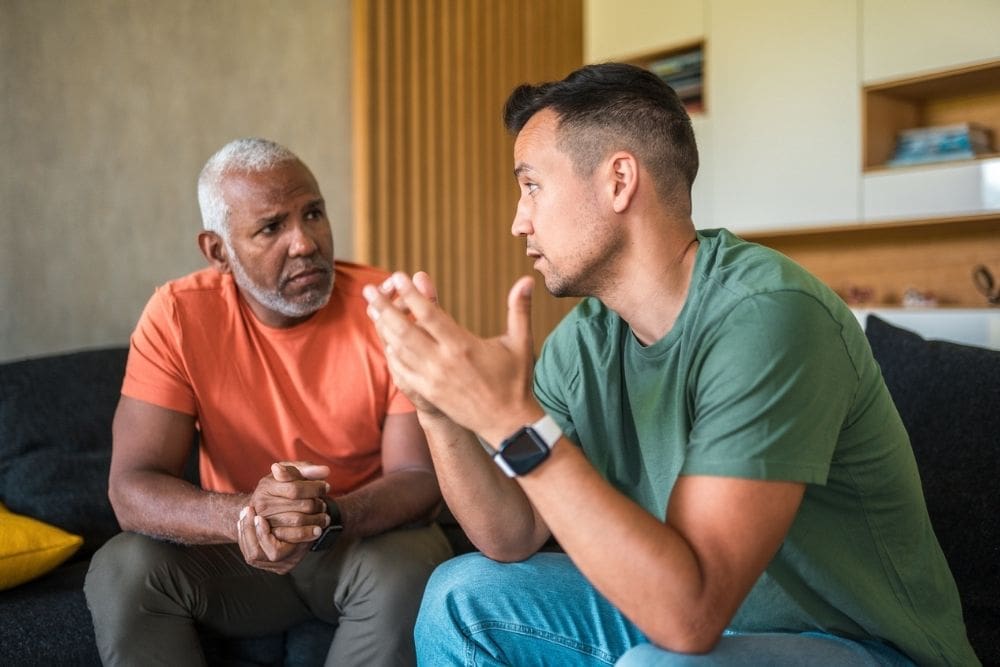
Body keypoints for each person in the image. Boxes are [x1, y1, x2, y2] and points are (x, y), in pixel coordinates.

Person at [362, 64, 979, 665]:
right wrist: (436, 408)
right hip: (686, 615)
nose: (518, 220)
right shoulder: (584, 342)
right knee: (461, 594)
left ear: (619, 180)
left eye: (531, 186)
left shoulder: (767, 316)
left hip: (855, 645)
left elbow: (690, 616)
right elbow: (511, 533)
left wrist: (508, 419)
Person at [84, 138, 452, 666]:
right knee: (122, 567)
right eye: (272, 227)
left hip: (358, 544)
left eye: (314, 214)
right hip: (237, 557)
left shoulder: (388, 309)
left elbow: (418, 474)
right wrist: (246, 516)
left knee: (416, 559)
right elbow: (131, 487)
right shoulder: (176, 316)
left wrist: (327, 516)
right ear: (218, 252)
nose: (305, 243)